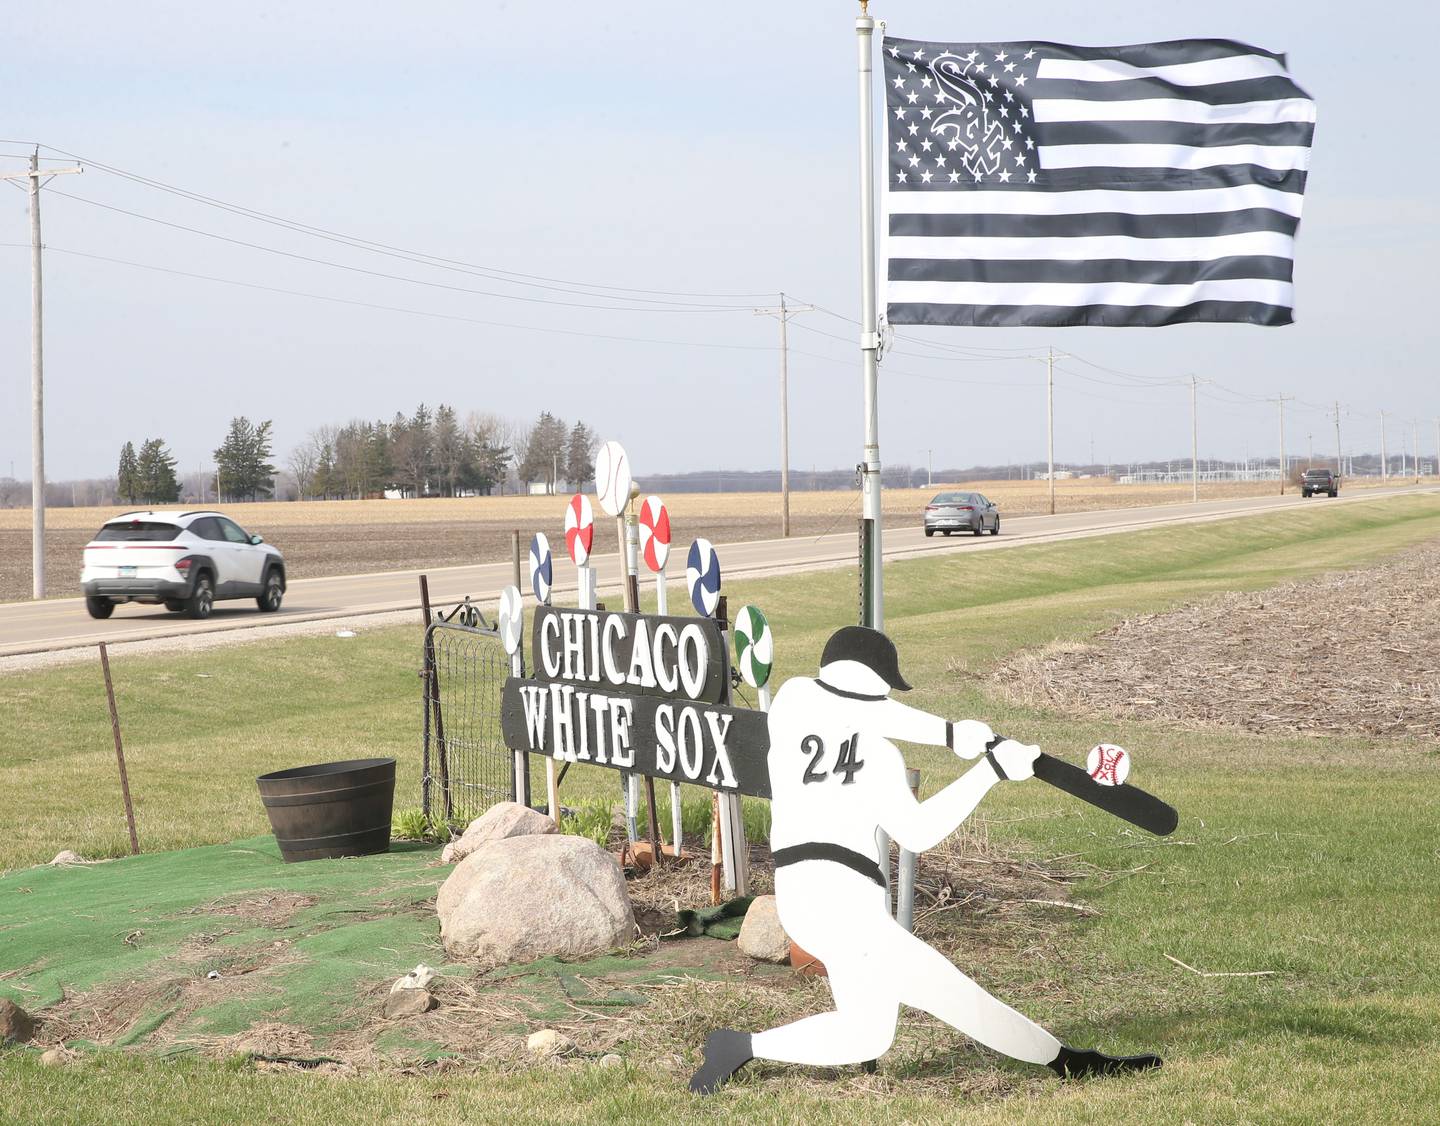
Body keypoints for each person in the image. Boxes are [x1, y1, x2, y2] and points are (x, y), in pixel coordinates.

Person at [690, 626, 1160, 1094]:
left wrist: (983, 764)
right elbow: (861, 716)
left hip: (820, 897)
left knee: (867, 1034)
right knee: (952, 992)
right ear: (878, 681)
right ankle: (1066, 1062)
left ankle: (738, 1047)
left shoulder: (814, 722)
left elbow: (914, 827)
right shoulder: (803, 703)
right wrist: (964, 746)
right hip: (835, 899)